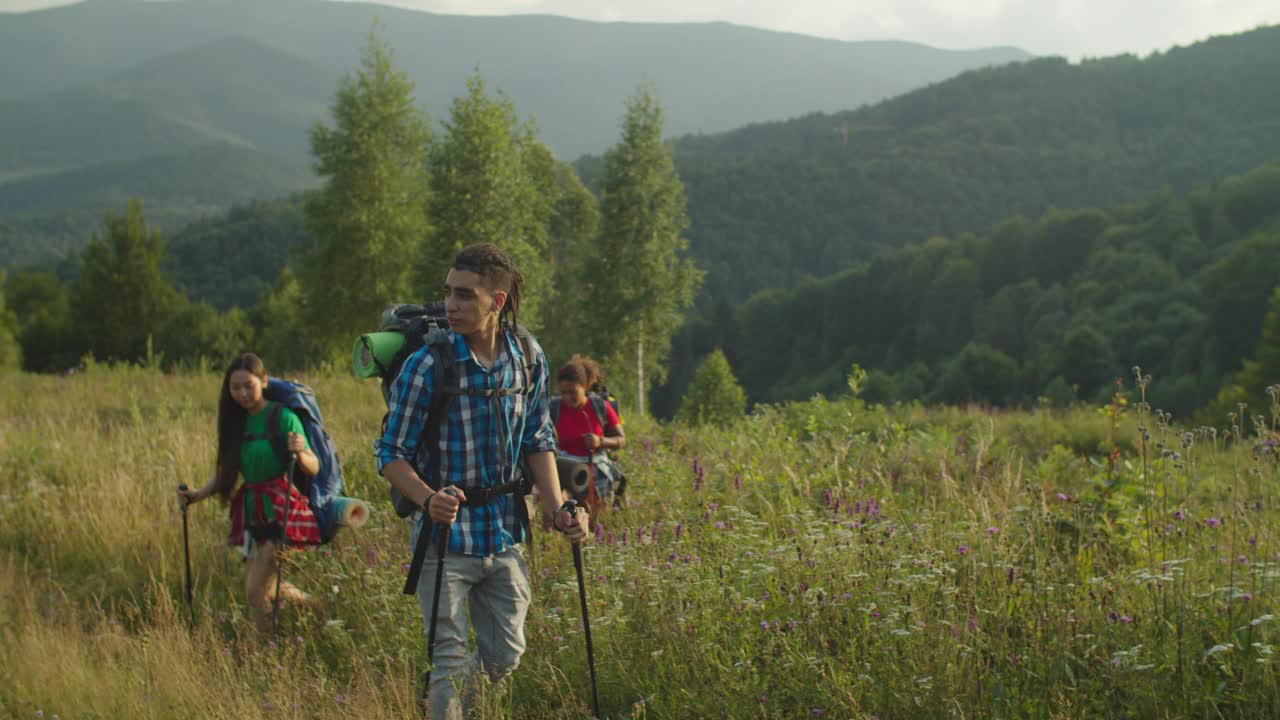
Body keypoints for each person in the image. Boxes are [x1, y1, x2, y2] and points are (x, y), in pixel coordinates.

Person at [377, 243, 589, 718]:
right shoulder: (427, 365)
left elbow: (538, 437)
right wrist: (428, 498)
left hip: (505, 531)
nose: (451, 304)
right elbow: (390, 453)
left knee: (505, 656)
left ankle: (445, 708)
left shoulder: (528, 358)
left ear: (497, 300)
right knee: (448, 662)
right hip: (443, 539)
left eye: (465, 295)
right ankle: (443, 706)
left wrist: (557, 507)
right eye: (448, 293)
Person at [177, 353, 322, 633]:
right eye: (235, 388)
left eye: (248, 385)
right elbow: (226, 475)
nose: (242, 393)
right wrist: (196, 495)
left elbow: (313, 467)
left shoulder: (283, 417)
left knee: (255, 593)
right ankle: (315, 606)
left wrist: (300, 451)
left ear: (264, 381)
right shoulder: (237, 424)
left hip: (282, 510)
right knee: (264, 589)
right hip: (252, 512)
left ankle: (265, 656)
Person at [552, 354, 626, 521]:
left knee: (595, 519)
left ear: (585, 386)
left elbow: (621, 440)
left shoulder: (600, 407)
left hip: (595, 467)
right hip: (564, 467)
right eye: (563, 392)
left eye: (572, 392)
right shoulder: (554, 409)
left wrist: (600, 441)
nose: (567, 397)